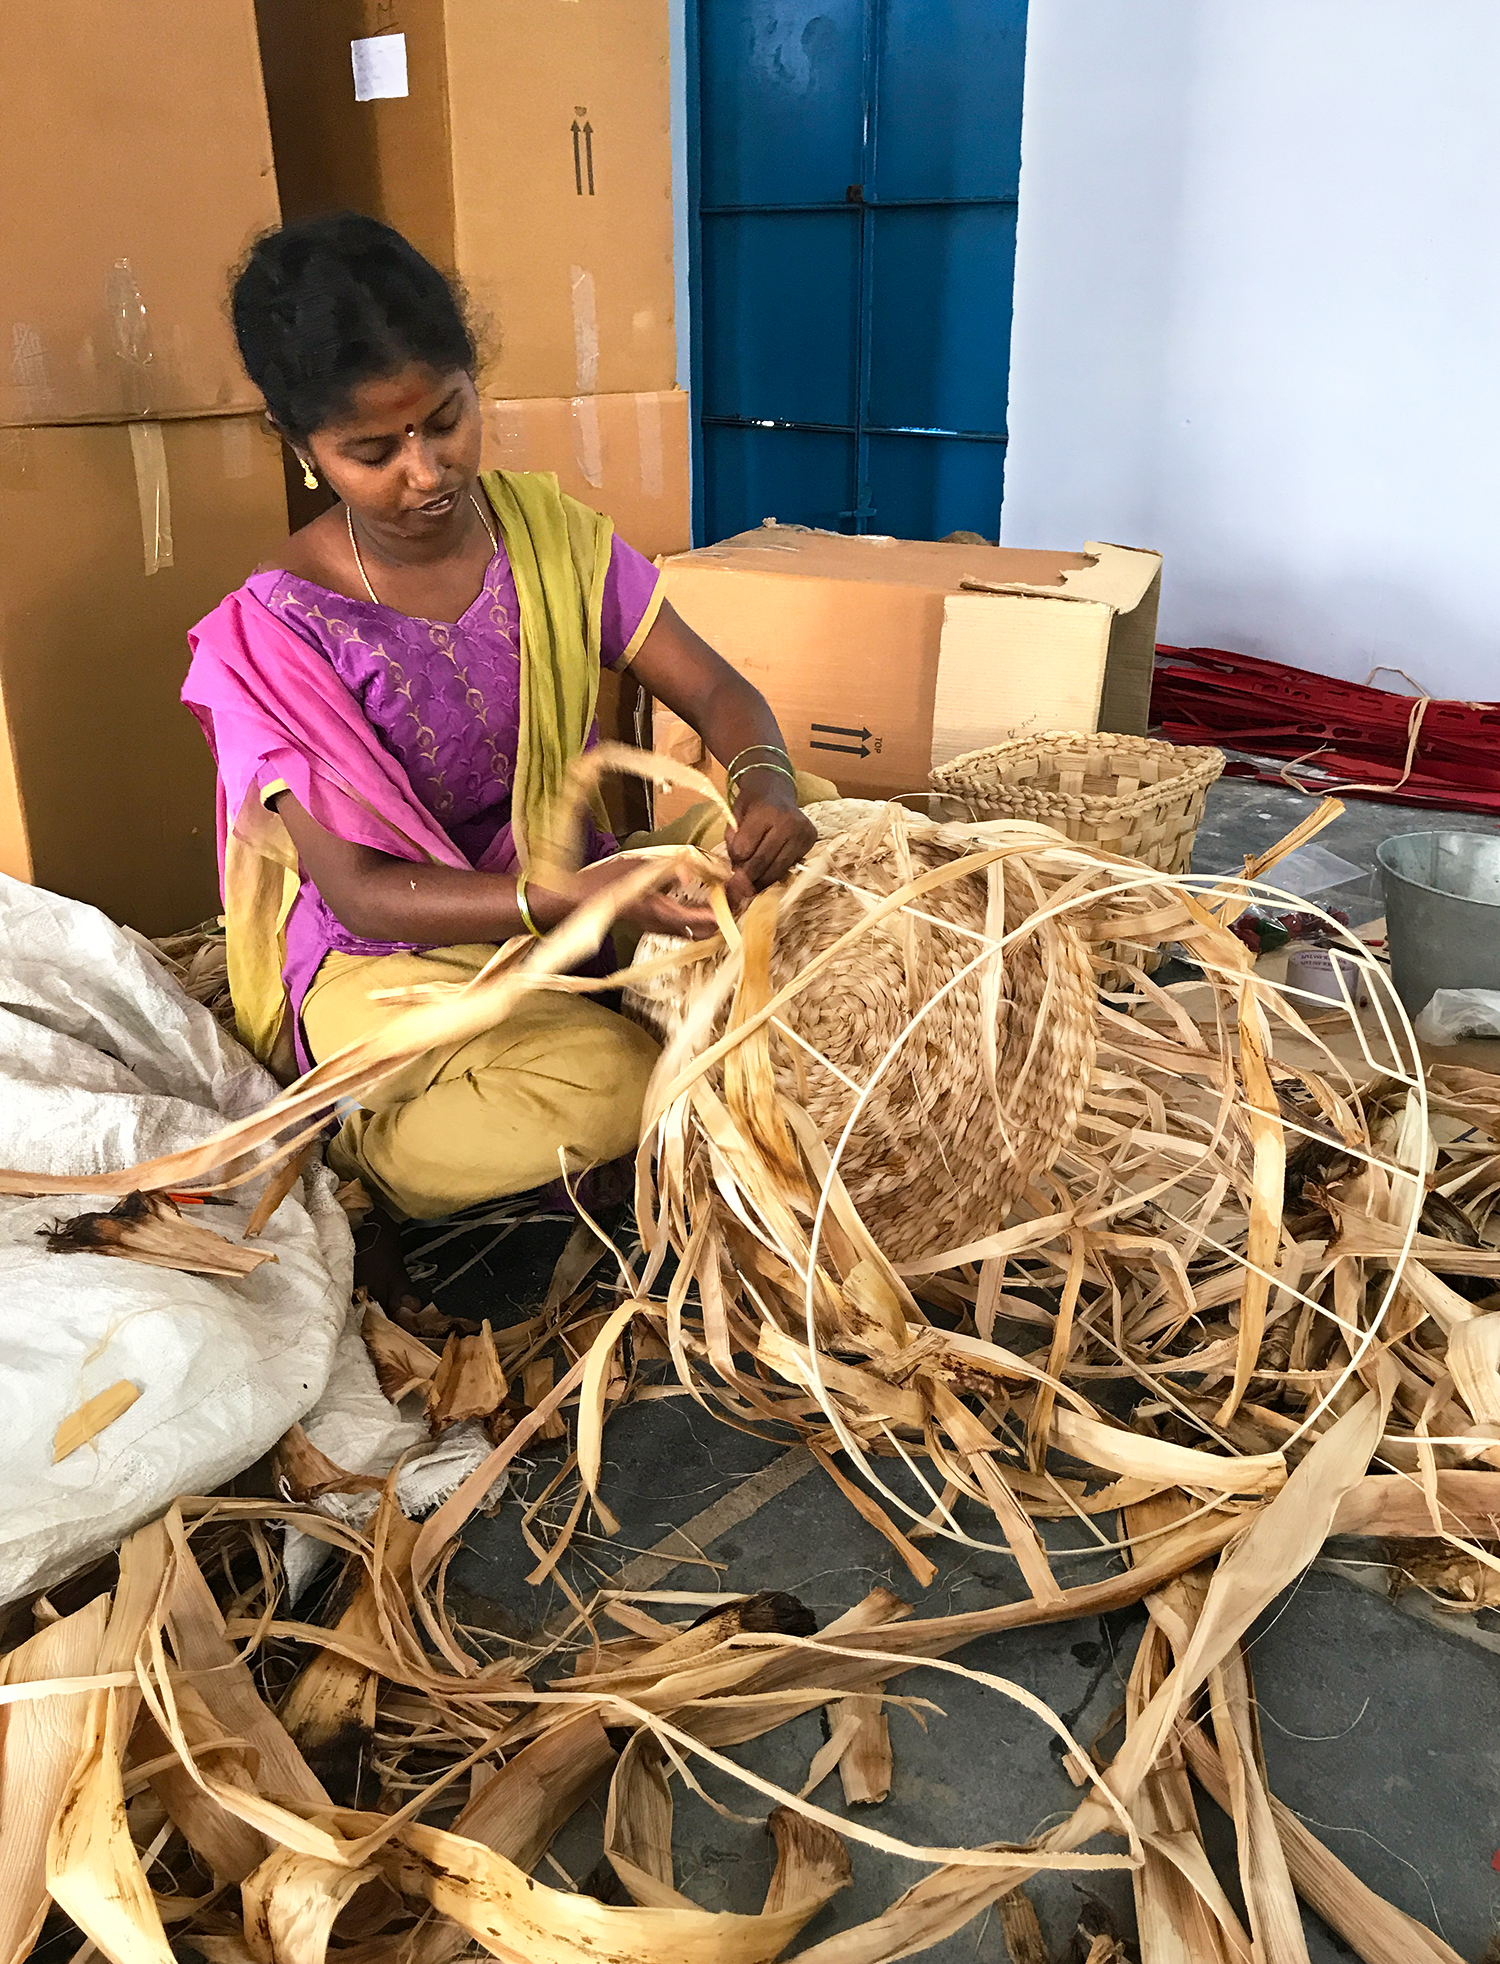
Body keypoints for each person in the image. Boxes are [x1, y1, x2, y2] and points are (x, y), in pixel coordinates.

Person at [184, 213, 826, 1309]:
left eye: (446, 421)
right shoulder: (276, 631)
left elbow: (720, 692)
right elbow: (364, 888)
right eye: (372, 452)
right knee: (610, 1084)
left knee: (805, 813)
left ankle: (620, 1011)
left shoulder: (548, 538)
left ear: (474, 383)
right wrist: (573, 901)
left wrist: (762, 775)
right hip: (401, 958)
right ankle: (367, 1157)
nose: (426, 473)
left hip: (585, 894)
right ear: (300, 447)